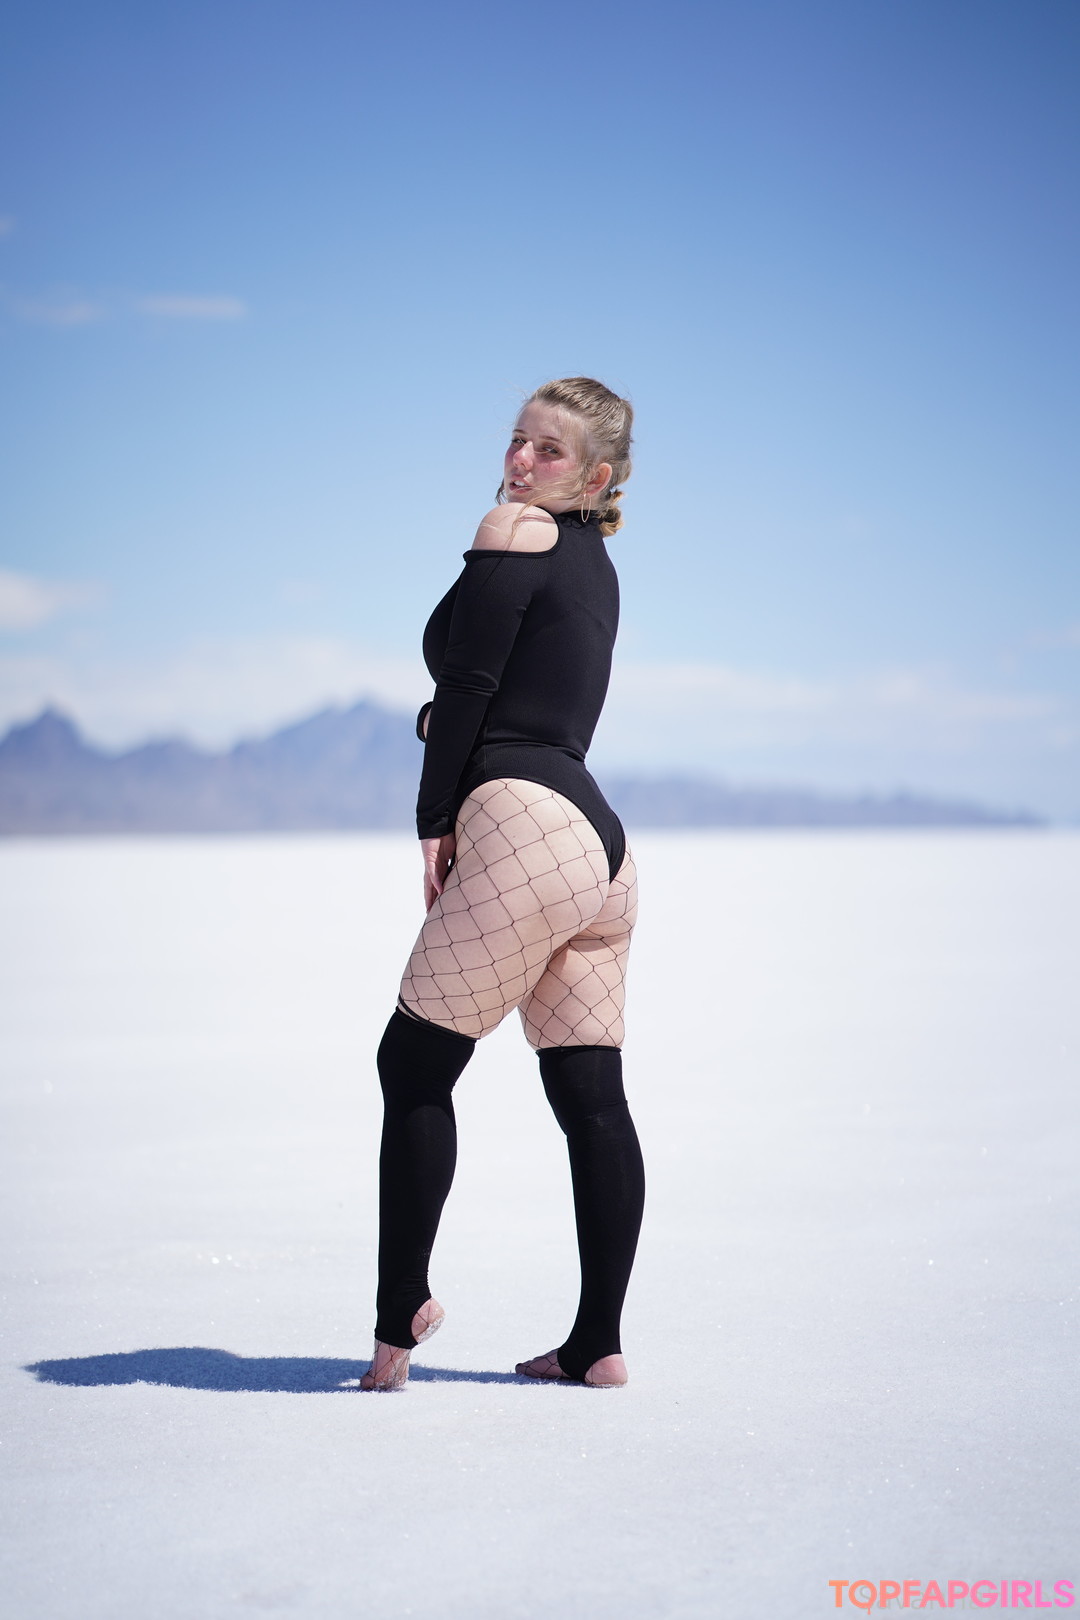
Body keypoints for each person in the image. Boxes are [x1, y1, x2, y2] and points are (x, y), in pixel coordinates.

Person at [361, 377, 645, 1391]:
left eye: (549, 451)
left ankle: (399, 1316)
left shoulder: (514, 531)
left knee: (413, 1065)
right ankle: (597, 1343)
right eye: (518, 440)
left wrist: (434, 820)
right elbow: (525, 700)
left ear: (595, 478)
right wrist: (446, 728)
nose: (521, 462)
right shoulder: (596, 566)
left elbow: (472, 685)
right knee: (589, 1095)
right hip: (600, 849)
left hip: (521, 826)